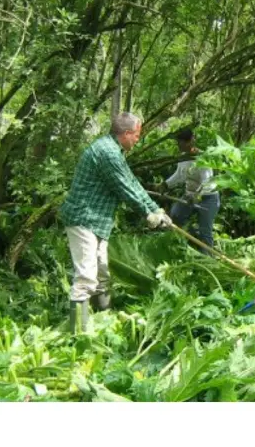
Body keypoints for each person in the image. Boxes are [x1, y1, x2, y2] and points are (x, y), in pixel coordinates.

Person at [60, 112, 172, 332]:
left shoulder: (113, 150)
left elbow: (132, 182)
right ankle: (77, 335)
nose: (138, 140)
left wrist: (154, 209)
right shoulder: (107, 152)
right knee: (86, 277)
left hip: (98, 221)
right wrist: (147, 214)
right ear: (127, 133)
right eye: (137, 135)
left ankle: (104, 320)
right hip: (84, 219)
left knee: (102, 274)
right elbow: (125, 189)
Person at [158, 128, 220, 254]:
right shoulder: (183, 158)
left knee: (205, 231)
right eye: (178, 143)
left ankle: (208, 259)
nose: (179, 146)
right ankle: (194, 239)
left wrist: (196, 196)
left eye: (181, 143)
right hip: (189, 195)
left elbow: (207, 181)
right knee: (176, 216)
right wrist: (165, 184)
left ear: (189, 142)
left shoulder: (202, 157)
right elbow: (179, 175)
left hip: (208, 198)